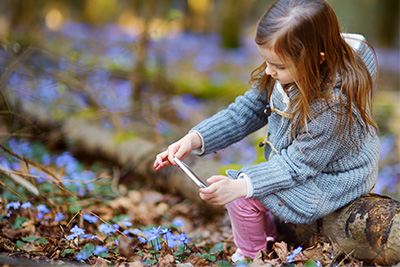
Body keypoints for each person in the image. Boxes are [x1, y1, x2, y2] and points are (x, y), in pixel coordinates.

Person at [154, 0, 380, 261]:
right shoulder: (287, 69)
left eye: (280, 66)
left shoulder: (334, 106)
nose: (270, 71)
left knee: (243, 198)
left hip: (335, 176)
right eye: (266, 61)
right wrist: (194, 139)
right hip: (302, 163)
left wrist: (243, 186)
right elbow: (246, 112)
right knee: (245, 188)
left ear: (319, 58)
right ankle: (271, 238)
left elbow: (298, 166)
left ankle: (253, 256)